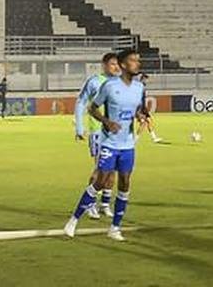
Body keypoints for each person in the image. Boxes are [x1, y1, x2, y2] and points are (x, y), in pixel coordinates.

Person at [64, 48, 149, 242]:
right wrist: (106, 122)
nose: (137, 63)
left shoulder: (139, 88)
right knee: (100, 181)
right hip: (109, 143)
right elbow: (92, 108)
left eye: (138, 60)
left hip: (127, 145)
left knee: (125, 183)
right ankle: (73, 220)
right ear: (123, 65)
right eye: (133, 61)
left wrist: (140, 115)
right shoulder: (109, 86)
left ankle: (115, 228)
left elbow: (137, 108)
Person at [75, 53, 121, 219]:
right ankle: (89, 204)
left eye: (118, 64)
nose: (116, 67)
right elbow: (81, 102)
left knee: (113, 171)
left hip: (116, 135)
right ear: (104, 65)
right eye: (112, 64)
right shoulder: (94, 81)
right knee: (100, 170)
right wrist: (79, 127)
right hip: (98, 133)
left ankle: (105, 204)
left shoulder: (121, 83)